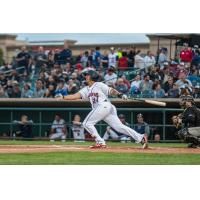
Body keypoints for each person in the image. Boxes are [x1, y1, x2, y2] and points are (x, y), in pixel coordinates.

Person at [56, 69, 148, 149]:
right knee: (119, 128)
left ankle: (100, 142)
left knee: (87, 123)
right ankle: (140, 137)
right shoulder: (86, 89)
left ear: (92, 76)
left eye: (87, 75)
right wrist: (63, 97)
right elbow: (75, 96)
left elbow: (111, 90)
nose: (86, 77)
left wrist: (120, 94)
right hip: (104, 108)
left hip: (104, 105)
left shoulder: (99, 84)